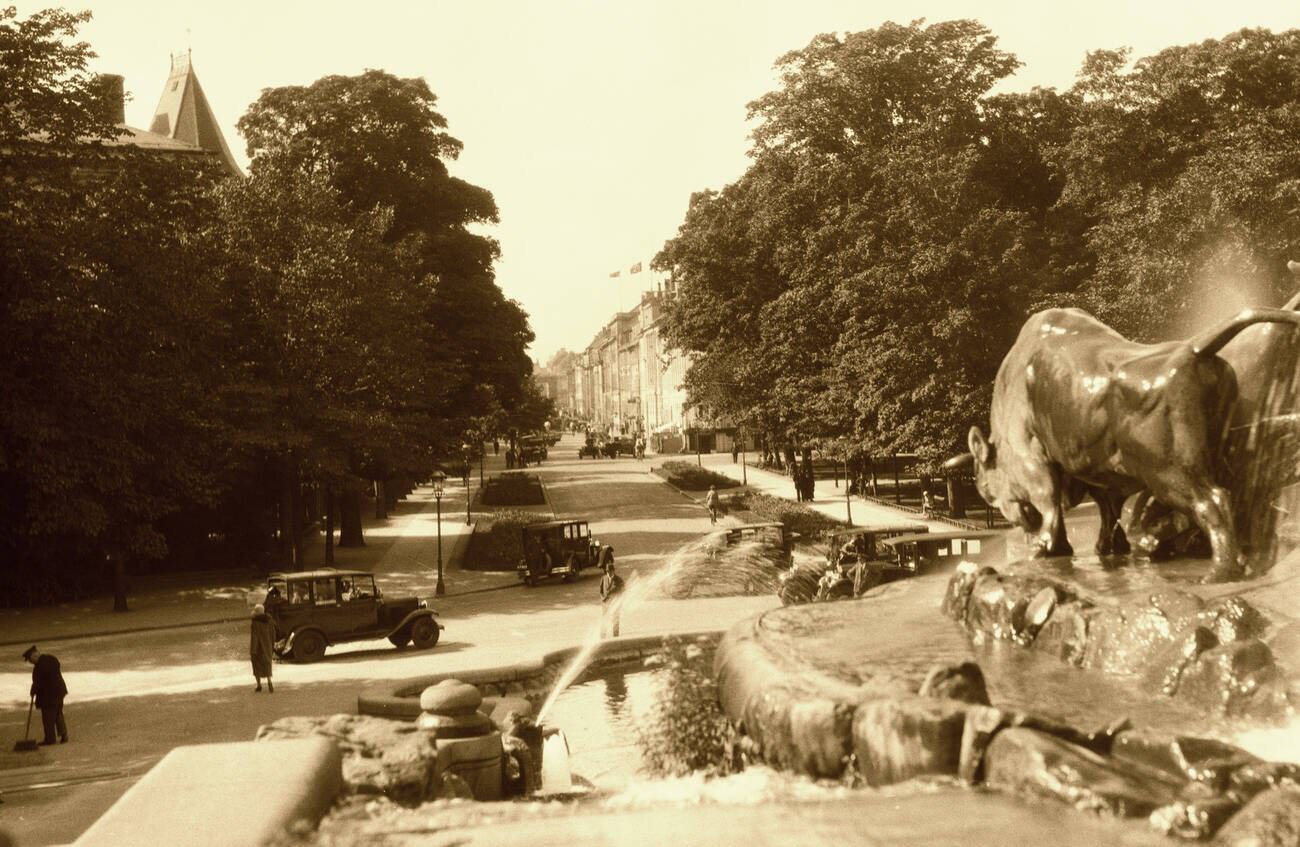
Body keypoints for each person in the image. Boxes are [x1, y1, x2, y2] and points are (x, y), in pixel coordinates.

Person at [22, 646, 67, 745]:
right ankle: (64, 735)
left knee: (48, 718)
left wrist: (33, 691)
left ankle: (50, 739)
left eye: (30, 660)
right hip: (59, 691)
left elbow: (38, 682)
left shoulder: (39, 667)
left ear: (34, 656)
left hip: (49, 695)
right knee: (58, 713)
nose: (30, 662)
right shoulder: (51, 658)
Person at [249, 604, 276, 693]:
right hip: (267, 645)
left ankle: (259, 685)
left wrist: (253, 649)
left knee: (256, 665)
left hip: (258, 647)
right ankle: (269, 682)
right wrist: (272, 645)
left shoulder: (255, 622)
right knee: (267, 664)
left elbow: (255, 637)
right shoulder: (270, 621)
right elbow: (273, 634)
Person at [599, 555, 624, 638]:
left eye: (610, 571)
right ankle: (603, 636)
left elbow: (623, 592)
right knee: (604, 620)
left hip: (615, 604)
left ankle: (615, 636)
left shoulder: (619, 580)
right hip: (606, 604)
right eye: (607, 571)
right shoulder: (603, 578)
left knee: (615, 620)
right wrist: (603, 599)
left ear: (613, 571)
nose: (608, 573)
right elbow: (601, 591)